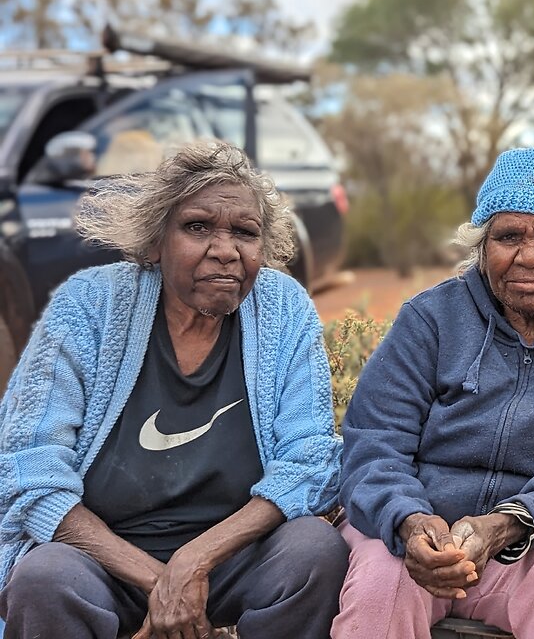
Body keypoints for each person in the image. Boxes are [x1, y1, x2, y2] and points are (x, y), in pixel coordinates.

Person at [0, 141, 348, 639]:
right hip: (104, 561)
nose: (225, 250)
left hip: (232, 559)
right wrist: (161, 582)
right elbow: (30, 469)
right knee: (43, 577)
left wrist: (195, 560)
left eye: (245, 233)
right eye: (197, 227)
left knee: (316, 551)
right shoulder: (89, 307)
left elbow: (309, 460)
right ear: (155, 241)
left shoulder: (282, 308)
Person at [333, 147, 534, 639]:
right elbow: (375, 440)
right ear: (481, 247)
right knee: (381, 578)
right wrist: (411, 523)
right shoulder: (431, 317)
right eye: (508, 237)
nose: (530, 256)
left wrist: (506, 524)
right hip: (418, 539)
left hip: (531, 538)